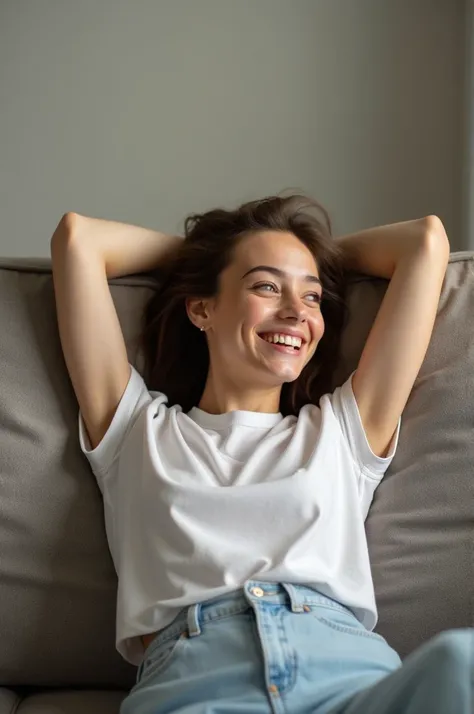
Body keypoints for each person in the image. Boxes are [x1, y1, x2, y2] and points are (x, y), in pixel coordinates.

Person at [50, 193, 471, 714]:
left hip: (351, 680)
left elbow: (425, 242)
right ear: (202, 307)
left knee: (461, 661)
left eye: (313, 296)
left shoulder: (342, 431)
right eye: (267, 287)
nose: (296, 312)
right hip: (198, 681)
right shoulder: (135, 430)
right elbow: (79, 240)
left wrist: (301, 257)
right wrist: (214, 252)